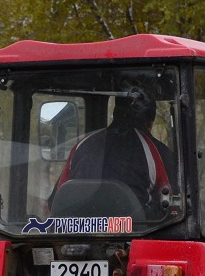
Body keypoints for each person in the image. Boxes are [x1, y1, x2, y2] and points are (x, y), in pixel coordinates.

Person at [48, 88, 175, 217]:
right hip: (138, 232)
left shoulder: (81, 146)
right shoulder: (156, 151)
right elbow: (169, 205)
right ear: (150, 121)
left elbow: (56, 200)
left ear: (115, 113)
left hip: (79, 233)